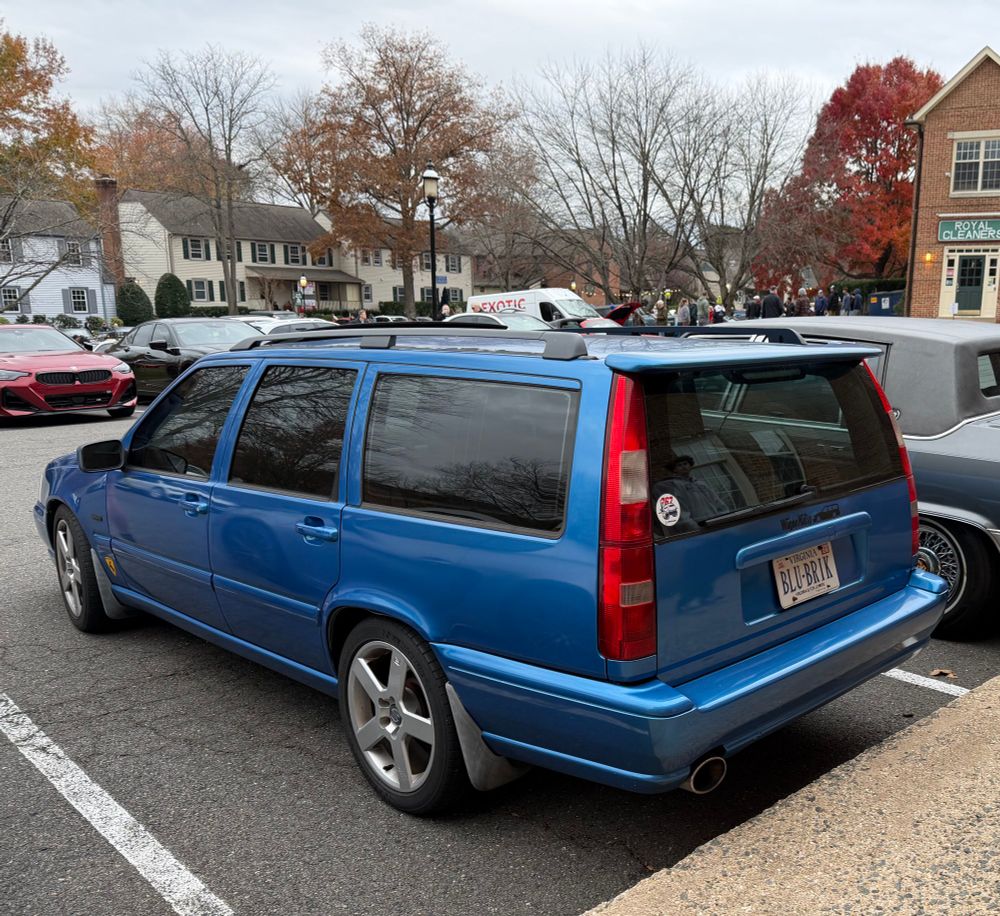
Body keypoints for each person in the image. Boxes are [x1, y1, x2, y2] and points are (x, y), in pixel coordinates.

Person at [652, 455, 729, 530]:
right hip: (700, 527)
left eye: (685, 464)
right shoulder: (673, 485)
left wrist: (724, 519)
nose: (683, 467)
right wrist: (695, 528)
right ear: (674, 470)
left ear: (690, 466)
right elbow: (681, 510)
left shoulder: (700, 483)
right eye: (679, 465)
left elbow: (717, 501)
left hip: (717, 524)